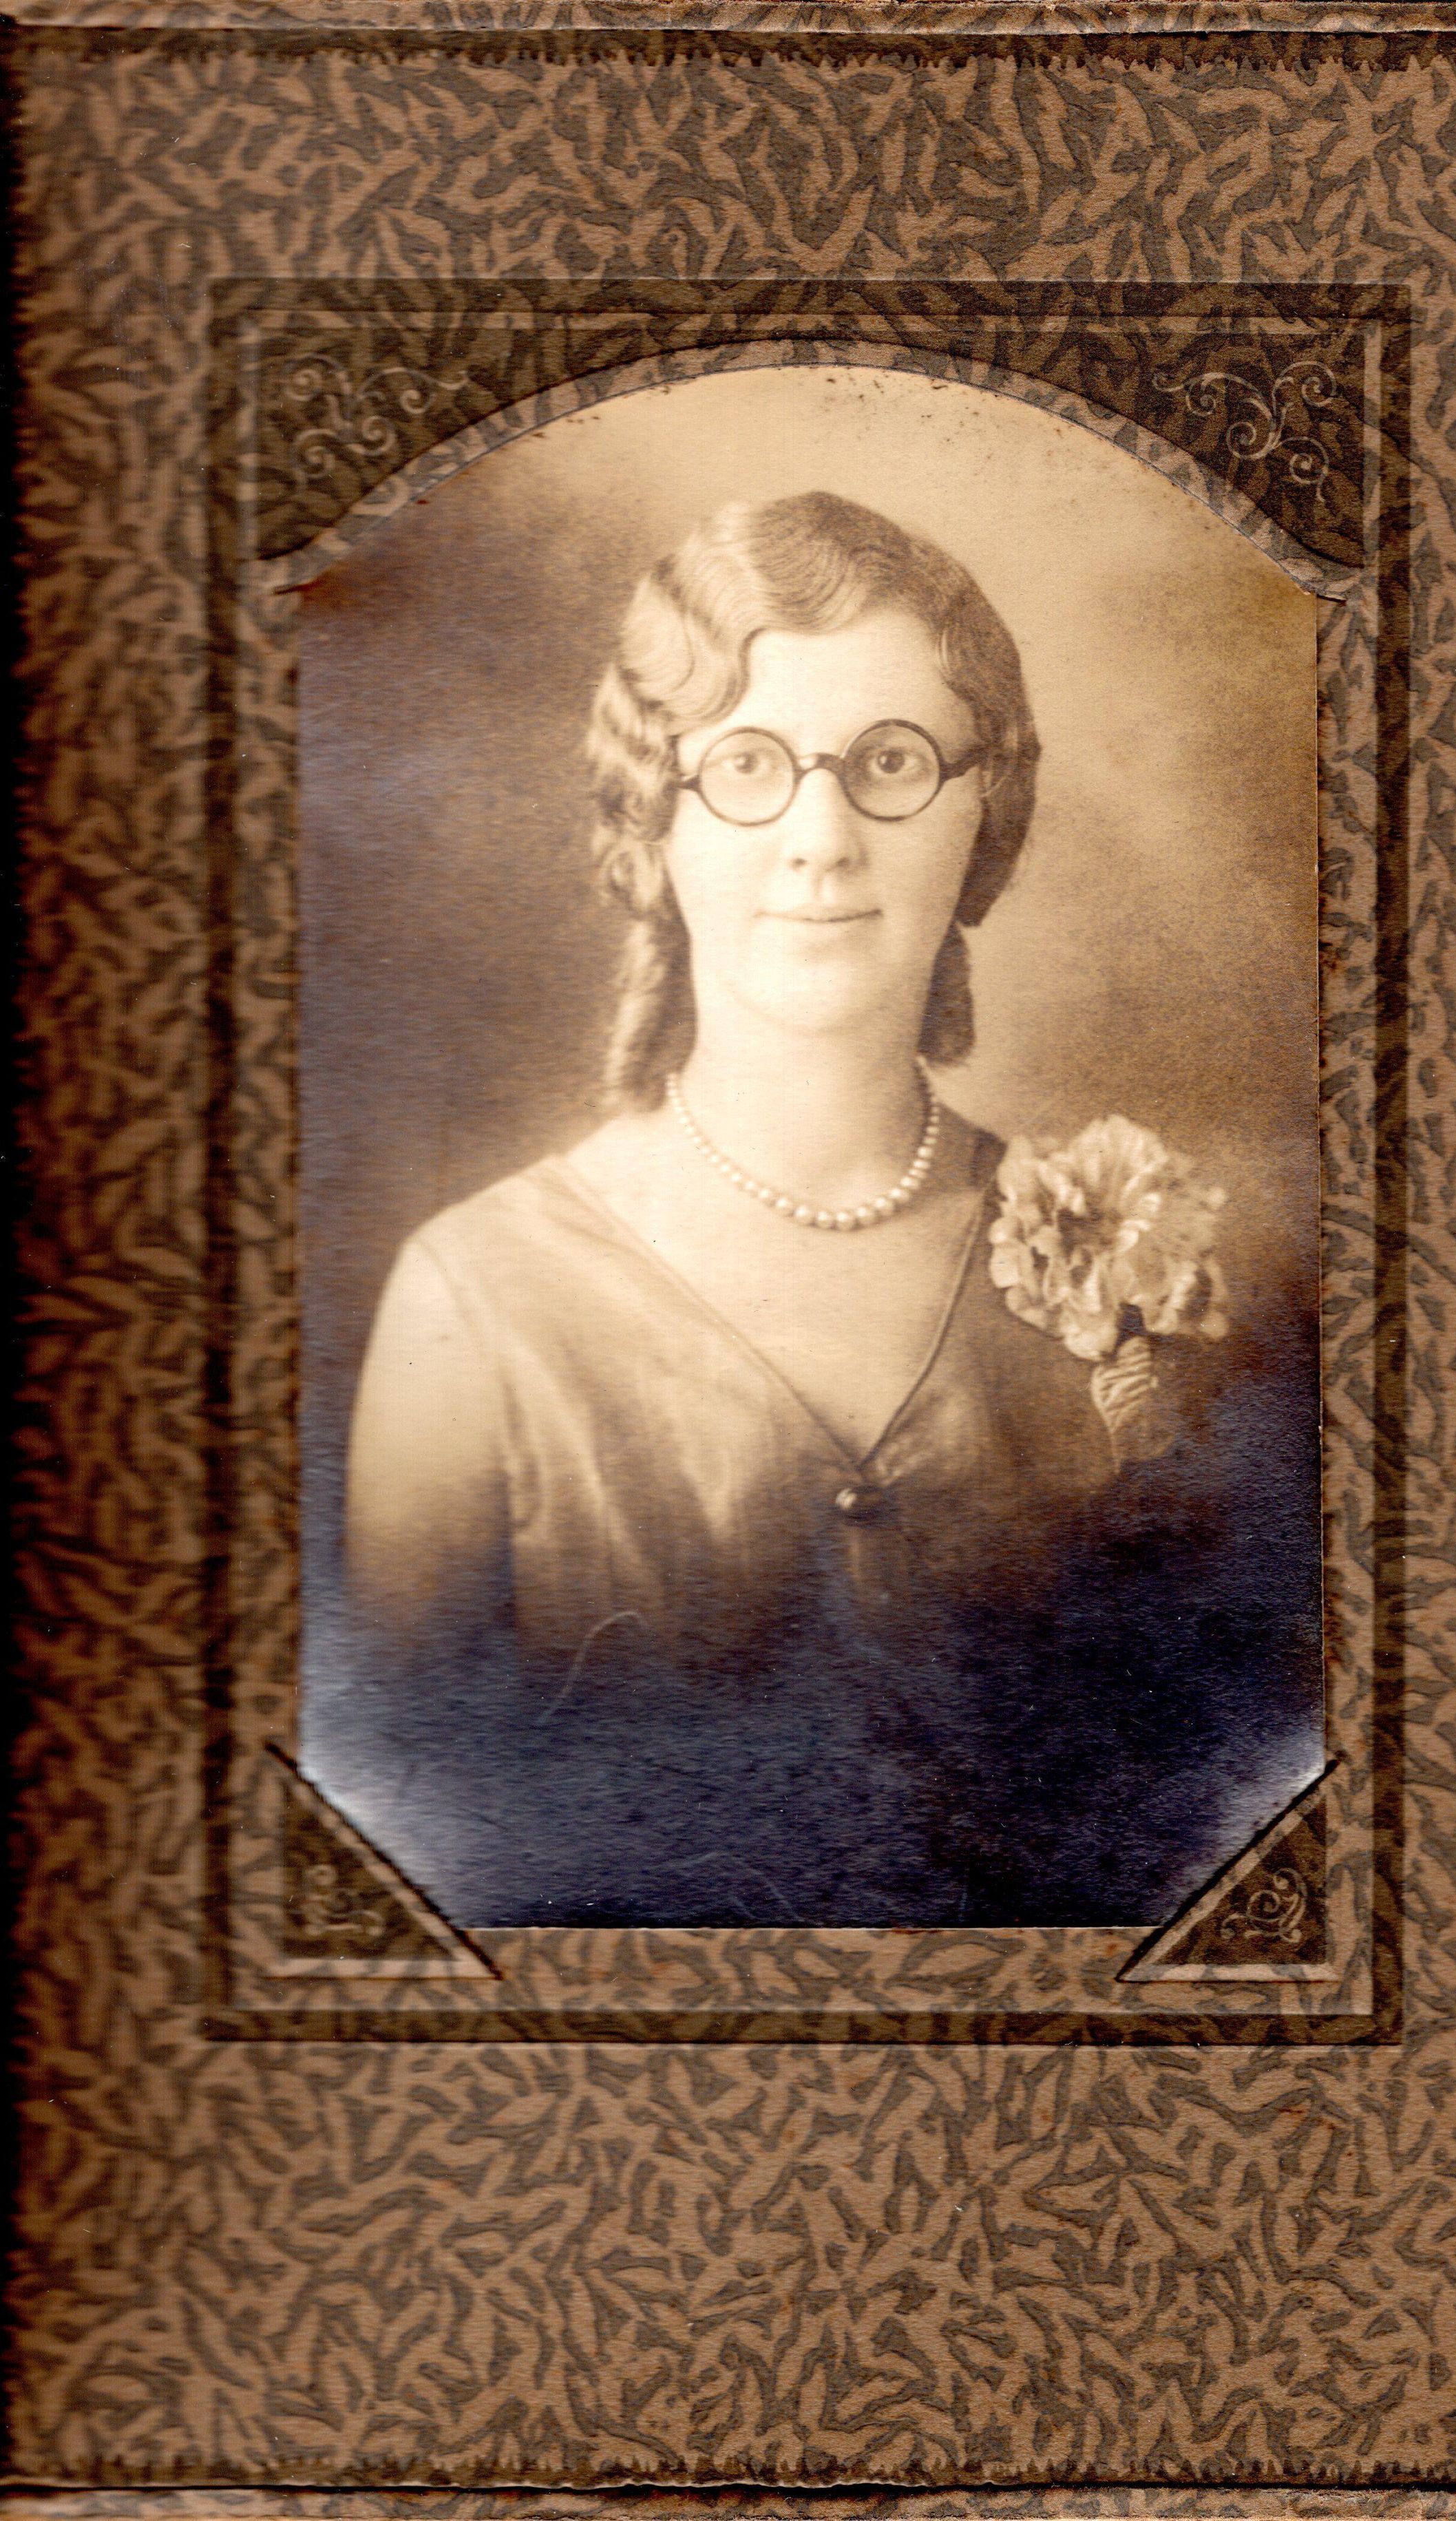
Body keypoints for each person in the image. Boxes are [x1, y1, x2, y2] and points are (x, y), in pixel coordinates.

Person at [327, 491, 1320, 1929]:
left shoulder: (1143, 1269)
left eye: (891, 762)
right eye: (746, 764)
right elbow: (415, 1865)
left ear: (985, 814)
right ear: (656, 821)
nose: (822, 837)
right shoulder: (473, 1304)